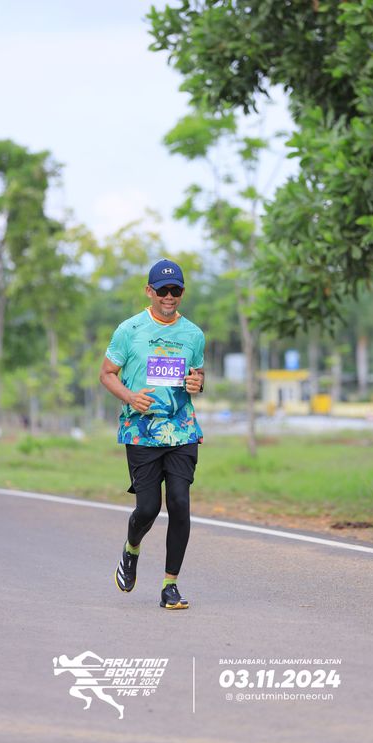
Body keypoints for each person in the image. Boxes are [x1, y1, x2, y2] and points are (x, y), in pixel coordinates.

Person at [99, 259, 205, 610]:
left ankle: (170, 585)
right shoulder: (129, 330)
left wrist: (198, 382)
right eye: (162, 290)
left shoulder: (193, 334)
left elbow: (197, 375)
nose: (169, 296)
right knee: (147, 508)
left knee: (179, 503)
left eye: (176, 290)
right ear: (149, 291)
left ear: (182, 292)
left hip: (181, 430)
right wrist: (131, 397)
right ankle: (131, 550)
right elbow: (107, 373)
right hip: (141, 430)